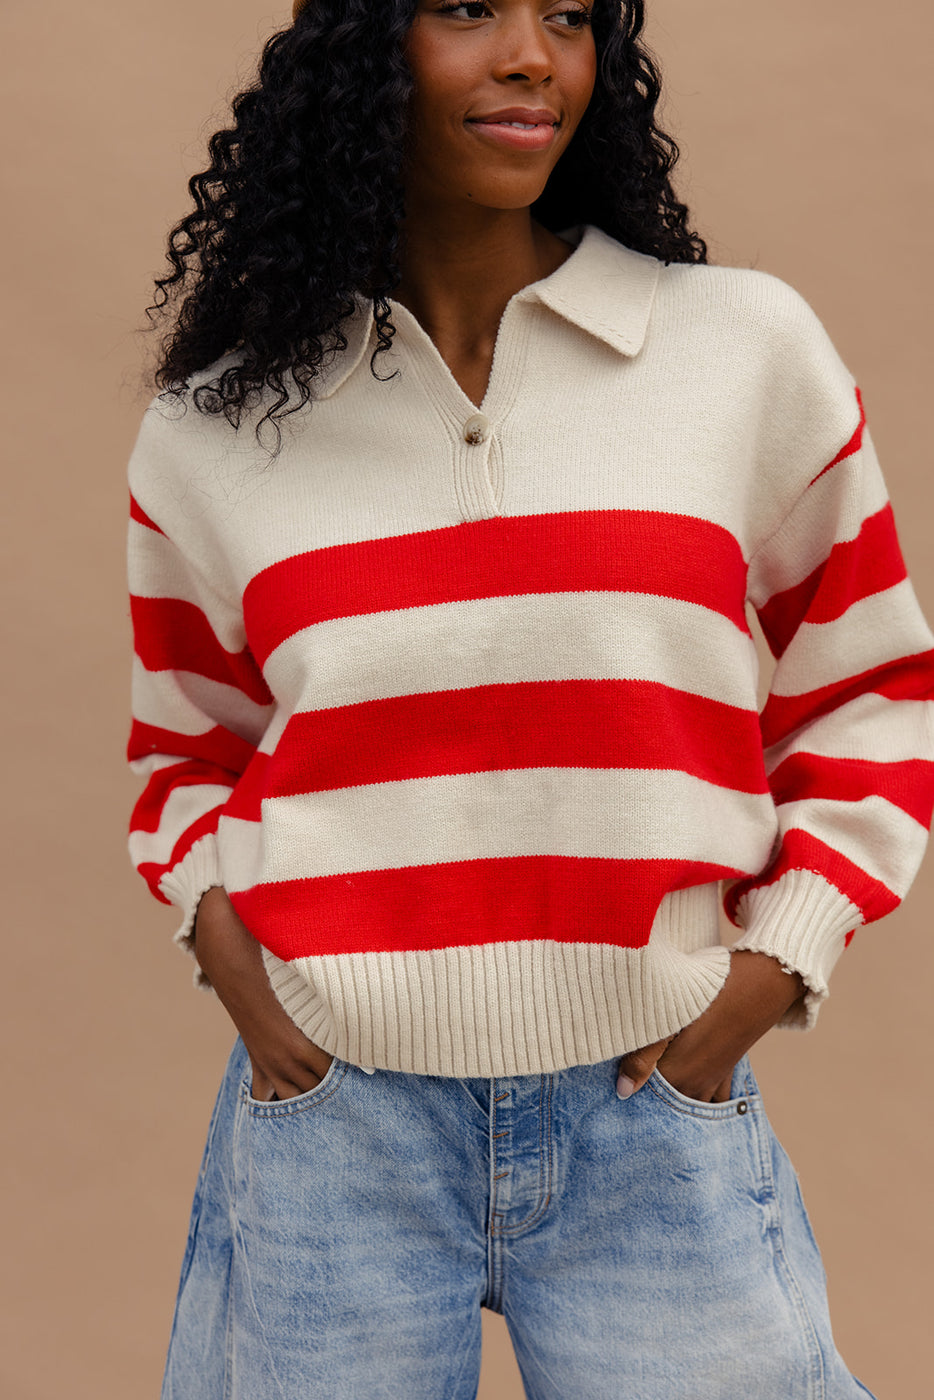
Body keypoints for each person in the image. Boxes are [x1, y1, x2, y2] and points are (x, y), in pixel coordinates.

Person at [126, 1, 934, 1396]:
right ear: (362, 59)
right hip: (334, 1123)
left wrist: (764, 975)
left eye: (566, 17)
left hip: (650, 1102)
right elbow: (183, 746)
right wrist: (255, 998)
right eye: (464, 10)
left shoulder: (741, 349)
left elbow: (869, 687)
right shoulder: (217, 418)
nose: (528, 56)